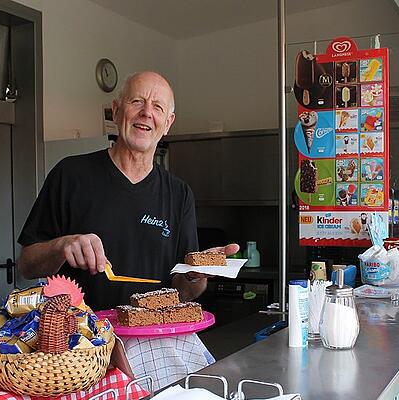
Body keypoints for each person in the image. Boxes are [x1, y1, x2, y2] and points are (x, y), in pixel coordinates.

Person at [17, 70, 238, 310]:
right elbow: (27, 265)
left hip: (151, 337)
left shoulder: (179, 194)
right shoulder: (70, 174)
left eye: (157, 107)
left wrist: (197, 275)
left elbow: (184, 292)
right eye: (137, 102)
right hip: (84, 339)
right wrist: (61, 246)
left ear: (168, 124)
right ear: (116, 111)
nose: (146, 113)